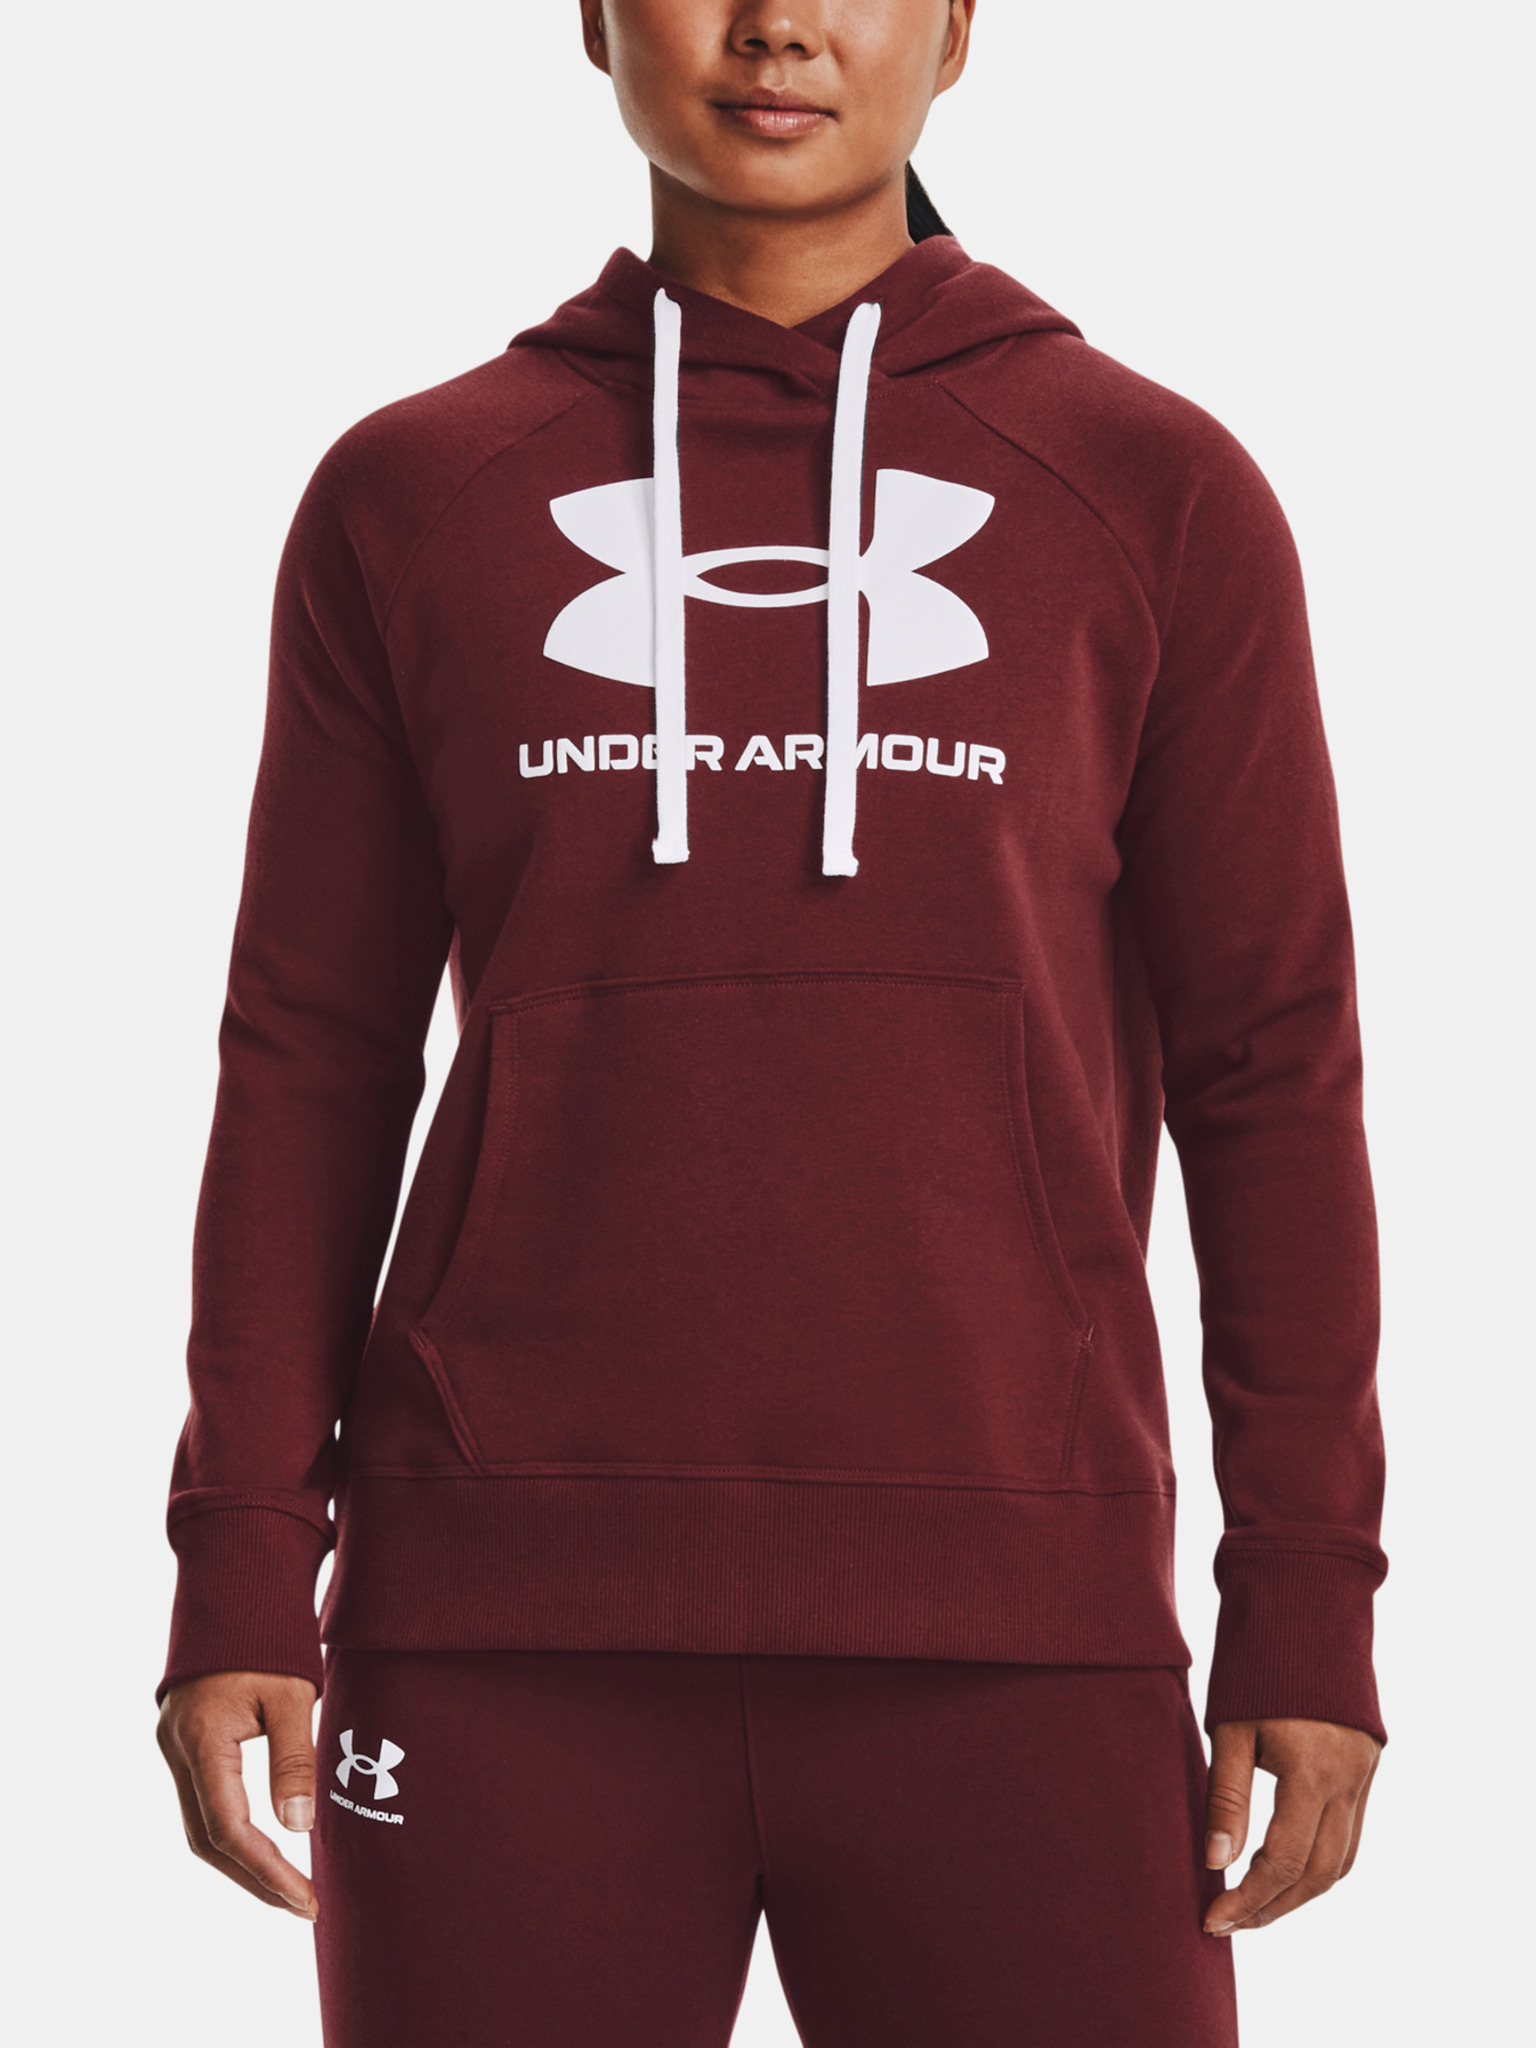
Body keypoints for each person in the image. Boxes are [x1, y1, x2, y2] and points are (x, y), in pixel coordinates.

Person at [155, 4, 1387, 2043]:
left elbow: (1274, 1067)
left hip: (1022, 1621)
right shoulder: (417, 493)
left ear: (961, 27)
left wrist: (1309, 1590)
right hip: (495, 1632)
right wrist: (238, 1560)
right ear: (592, 18)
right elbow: (309, 1056)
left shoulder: (1154, 489)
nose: (778, 24)